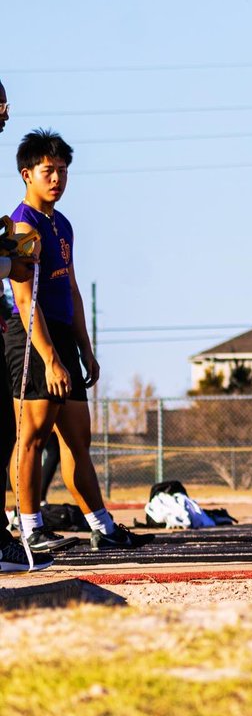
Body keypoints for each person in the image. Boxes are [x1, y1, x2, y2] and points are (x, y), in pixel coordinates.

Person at [5, 129, 142, 558]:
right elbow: (25, 298)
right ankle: (29, 527)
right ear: (27, 174)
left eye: (63, 170)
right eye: (49, 171)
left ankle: (102, 525)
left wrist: (84, 348)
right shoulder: (22, 224)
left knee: (77, 438)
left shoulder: (62, 223)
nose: (58, 178)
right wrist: (49, 358)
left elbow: (73, 288)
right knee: (32, 435)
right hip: (30, 336)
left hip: (63, 334)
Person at [0, 87, 50, 573]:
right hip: (19, 332)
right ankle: (17, 529)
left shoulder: (60, 225)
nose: (5, 112)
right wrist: (11, 258)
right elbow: (16, 280)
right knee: (14, 431)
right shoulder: (24, 217)